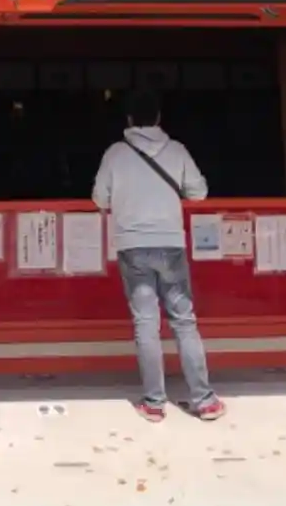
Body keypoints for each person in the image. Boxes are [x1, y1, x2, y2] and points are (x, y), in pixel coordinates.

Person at [92, 87, 225, 423]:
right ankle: (205, 400)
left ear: (128, 119)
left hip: (133, 246)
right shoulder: (177, 150)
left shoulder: (115, 154)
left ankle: (154, 403)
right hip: (171, 243)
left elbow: (99, 199)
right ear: (159, 117)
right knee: (184, 320)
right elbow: (199, 192)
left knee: (146, 323)